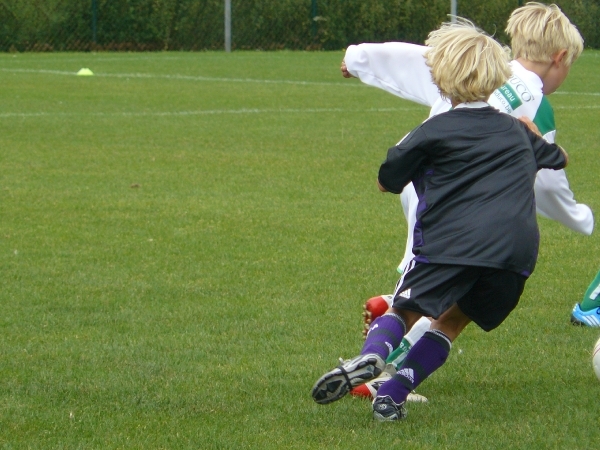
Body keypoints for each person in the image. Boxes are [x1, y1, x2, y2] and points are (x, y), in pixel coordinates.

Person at [312, 18, 570, 421]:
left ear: (440, 76)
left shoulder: (432, 131)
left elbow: (387, 181)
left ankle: (371, 358)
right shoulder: (518, 130)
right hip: (515, 253)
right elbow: (559, 159)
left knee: (404, 309)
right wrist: (532, 131)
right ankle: (393, 395)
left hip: (451, 244)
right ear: (498, 74)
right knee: (451, 322)